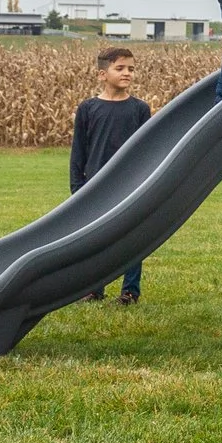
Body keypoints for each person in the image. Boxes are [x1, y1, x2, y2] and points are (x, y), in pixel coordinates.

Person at [72, 46, 153, 304]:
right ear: (102, 74)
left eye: (131, 69)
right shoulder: (88, 108)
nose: (127, 73)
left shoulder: (139, 109)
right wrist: (77, 187)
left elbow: (147, 150)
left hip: (131, 184)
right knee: (96, 239)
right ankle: (94, 288)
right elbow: (79, 152)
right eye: (120, 68)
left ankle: (130, 291)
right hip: (96, 185)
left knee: (132, 237)